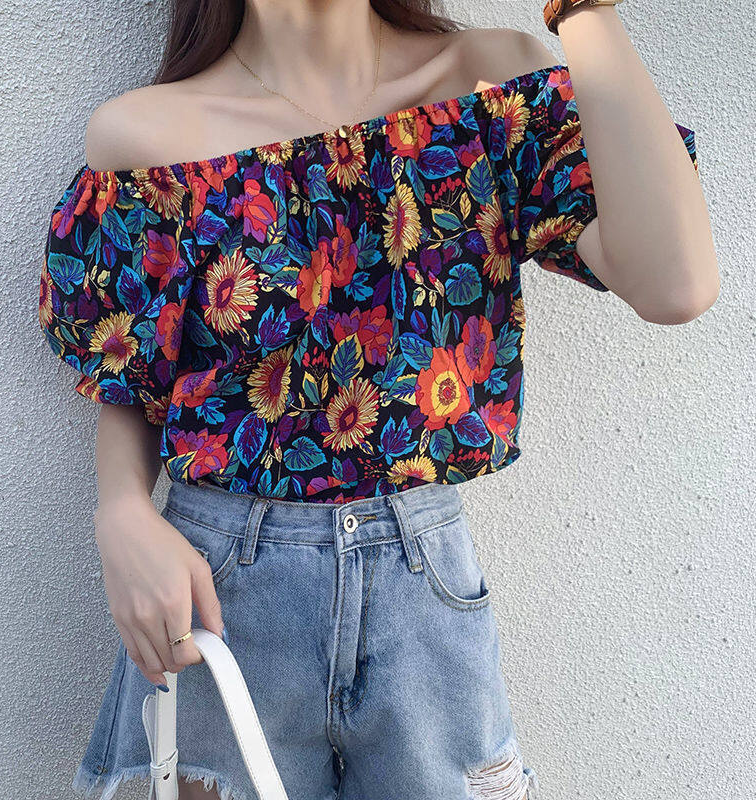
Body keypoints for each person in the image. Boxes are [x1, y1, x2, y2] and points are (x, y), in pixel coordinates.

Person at [37, 1, 717, 798]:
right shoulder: (146, 136)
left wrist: (585, 12)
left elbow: (675, 284)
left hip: (420, 586)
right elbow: (129, 368)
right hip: (221, 586)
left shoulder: (490, 85)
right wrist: (121, 511)